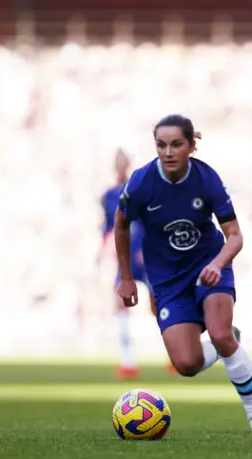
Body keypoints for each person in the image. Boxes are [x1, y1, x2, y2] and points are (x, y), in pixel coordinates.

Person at [114, 114, 252, 433]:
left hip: (208, 269)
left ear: (191, 146)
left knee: (218, 331)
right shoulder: (143, 181)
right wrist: (127, 277)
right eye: (161, 145)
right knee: (185, 365)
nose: (168, 152)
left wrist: (217, 264)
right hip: (168, 280)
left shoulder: (206, 179)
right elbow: (121, 224)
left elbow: (236, 236)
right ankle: (228, 341)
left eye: (176, 145)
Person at [100, 149, 173, 379]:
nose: (121, 166)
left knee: (156, 306)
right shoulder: (109, 196)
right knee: (121, 303)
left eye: (124, 162)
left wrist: (146, 248)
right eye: (118, 162)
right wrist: (103, 247)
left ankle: (174, 354)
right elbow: (107, 227)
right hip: (124, 258)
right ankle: (127, 361)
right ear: (115, 166)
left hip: (145, 256)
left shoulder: (138, 191)